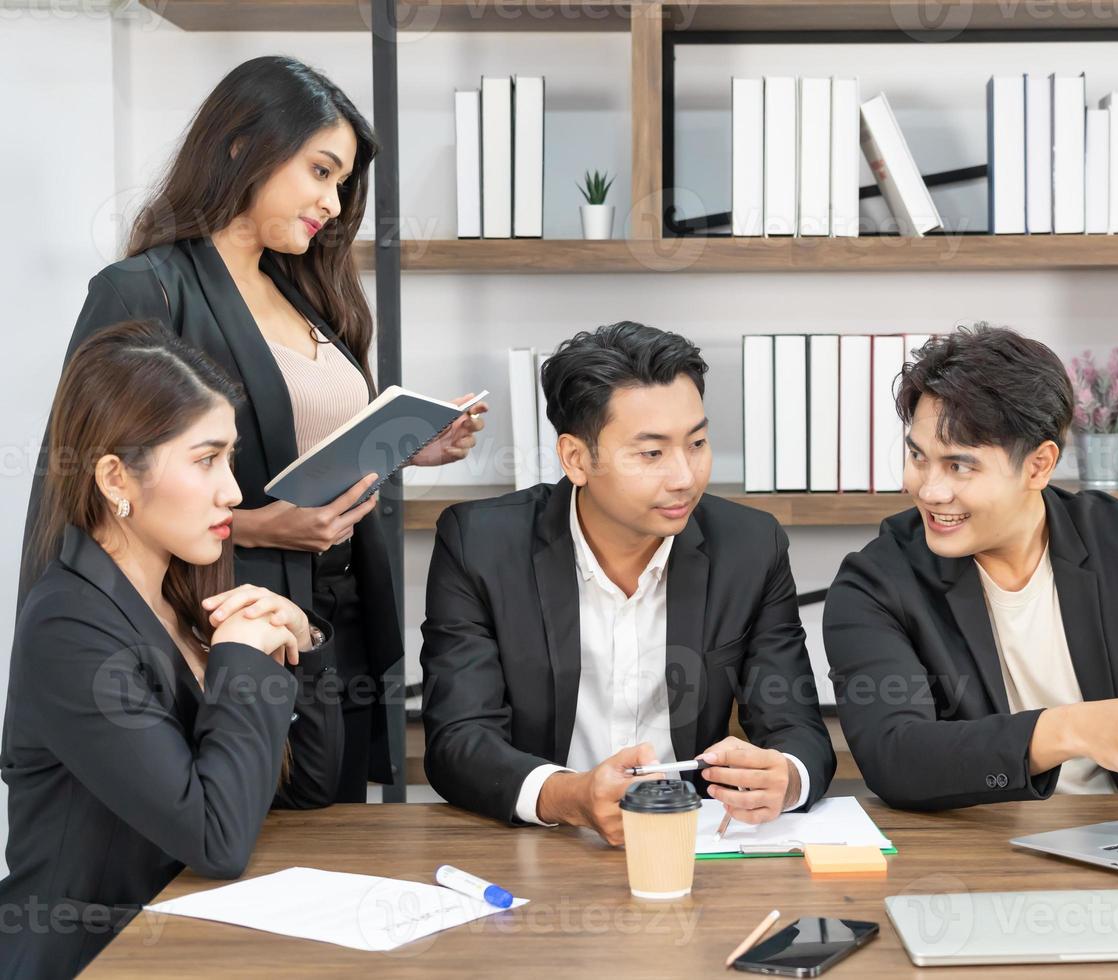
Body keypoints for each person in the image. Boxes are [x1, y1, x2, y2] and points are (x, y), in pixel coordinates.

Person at [19, 56, 485, 802]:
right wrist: (259, 527)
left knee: (331, 854)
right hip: (229, 618)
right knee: (242, 849)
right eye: (321, 172)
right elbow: (91, 489)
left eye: (343, 184)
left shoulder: (302, 292)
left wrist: (403, 445)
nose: (334, 203)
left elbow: (303, 444)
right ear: (243, 147)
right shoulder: (144, 289)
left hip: (338, 612)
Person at [2, 322, 342, 979]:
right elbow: (215, 838)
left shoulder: (184, 602)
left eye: (230, 458)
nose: (234, 492)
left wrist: (297, 646)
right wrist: (241, 663)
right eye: (205, 459)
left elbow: (310, 788)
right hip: (88, 963)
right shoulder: (69, 630)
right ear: (115, 478)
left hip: (183, 950)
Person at [420, 322, 834, 845]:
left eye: (698, 442)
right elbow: (458, 740)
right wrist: (569, 796)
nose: (685, 476)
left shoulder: (750, 547)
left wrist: (787, 776)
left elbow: (798, 729)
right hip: (544, 845)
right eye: (651, 453)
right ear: (576, 458)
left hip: (691, 844)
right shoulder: (480, 543)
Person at [823, 325, 1118, 811]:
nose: (928, 489)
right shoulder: (875, 583)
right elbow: (895, 757)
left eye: (960, 466)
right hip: (980, 850)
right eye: (918, 457)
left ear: (1039, 466)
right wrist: (1070, 728)